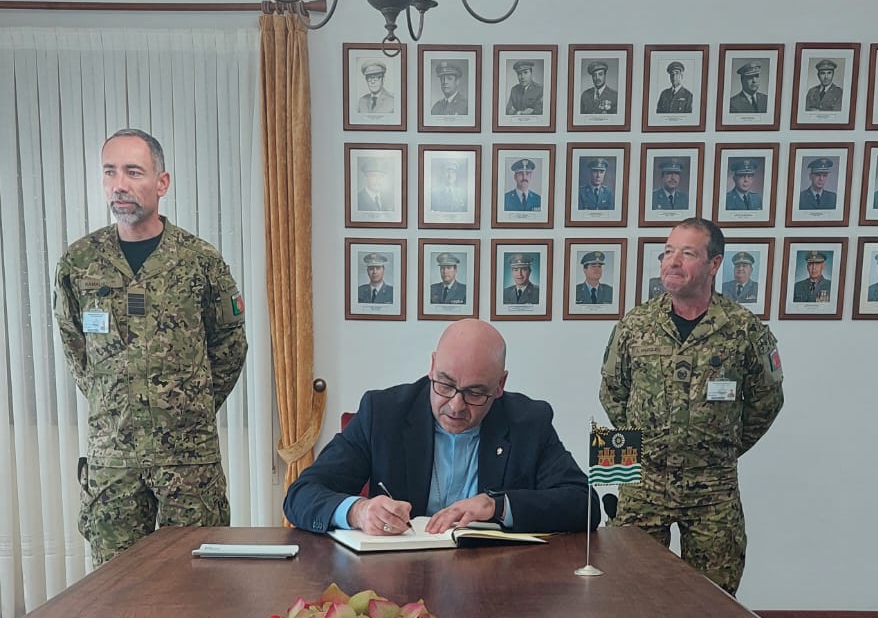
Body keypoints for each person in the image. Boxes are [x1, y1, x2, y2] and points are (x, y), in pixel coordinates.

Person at [53, 128, 247, 566]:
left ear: (162, 183)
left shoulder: (199, 261)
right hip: (114, 458)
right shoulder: (81, 262)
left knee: (197, 580)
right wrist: (113, 402)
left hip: (188, 458)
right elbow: (74, 345)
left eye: (133, 172)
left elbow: (230, 344)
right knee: (115, 586)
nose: (119, 184)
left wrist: (187, 405)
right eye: (110, 172)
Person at [599, 217, 783, 595]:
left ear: (714, 264)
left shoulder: (743, 330)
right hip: (643, 482)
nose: (673, 262)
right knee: (627, 594)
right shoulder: (636, 325)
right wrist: (649, 444)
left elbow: (767, 400)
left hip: (712, 489)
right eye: (668, 252)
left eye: (687, 253)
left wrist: (720, 446)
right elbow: (613, 391)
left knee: (714, 600)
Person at [283, 318, 599, 536]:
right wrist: (358, 512)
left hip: (495, 585)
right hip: (399, 582)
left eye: (475, 393)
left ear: (500, 385)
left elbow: (584, 504)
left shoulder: (528, 421)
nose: (456, 405)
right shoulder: (384, 413)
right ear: (432, 367)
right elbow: (301, 495)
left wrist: (497, 505)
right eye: (445, 385)